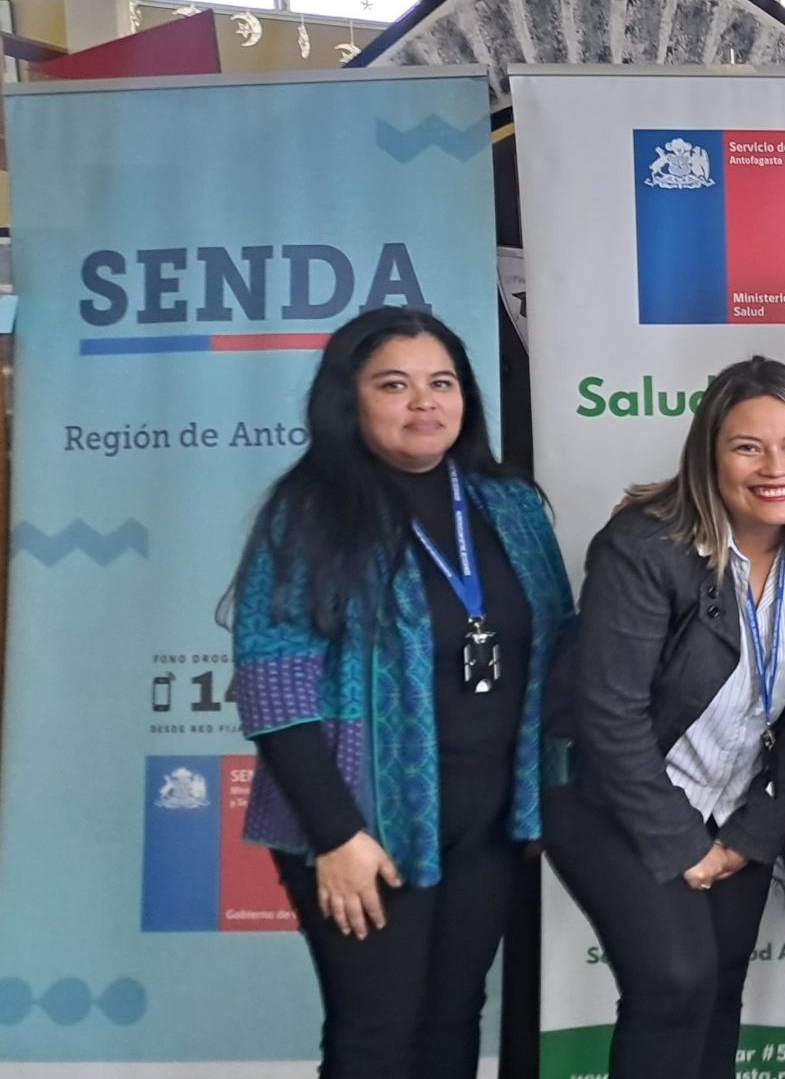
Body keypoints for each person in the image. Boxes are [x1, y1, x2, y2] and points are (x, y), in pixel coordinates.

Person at [228, 307, 575, 1078]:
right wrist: (336, 837)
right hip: (362, 826)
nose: (425, 402)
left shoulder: (509, 507)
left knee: (454, 1021)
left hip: (489, 822)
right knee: (378, 1035)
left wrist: (547, 792)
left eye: (441, 382)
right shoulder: (310, 512)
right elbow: (273, 688)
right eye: (395, 384)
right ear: (348, 399)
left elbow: (558, 648)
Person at [544, 358, 785, 1079]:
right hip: (610, 796)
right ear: (709, 455)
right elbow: (608, 714)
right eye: (748, 446)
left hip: (737, 806)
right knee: (673, 984)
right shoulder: (644, 548)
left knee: (718, 992)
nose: (777, 467)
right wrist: (683, 844)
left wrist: (752, 832)